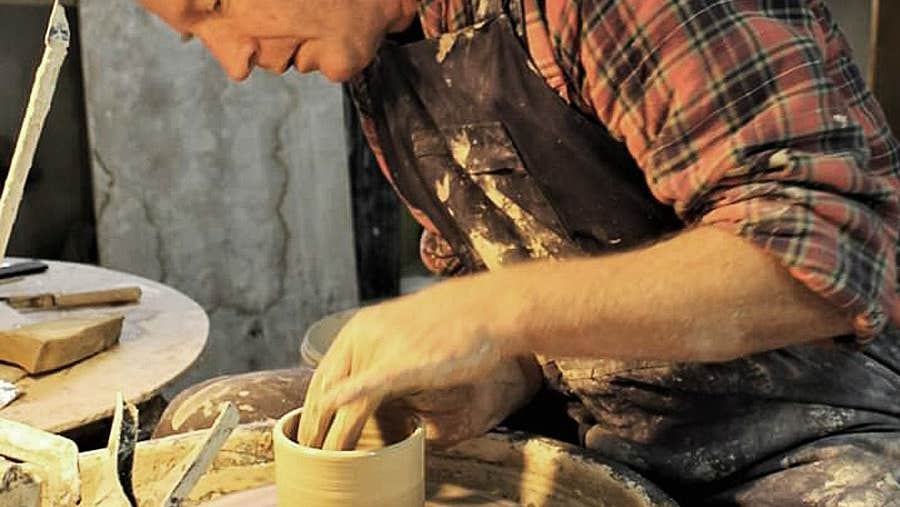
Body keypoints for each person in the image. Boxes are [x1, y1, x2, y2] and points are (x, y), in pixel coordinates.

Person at [139, 0, 900, 504]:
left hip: (813, 426)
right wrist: (497, 377)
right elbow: (518, 270)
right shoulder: (383, 49)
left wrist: (493, 312)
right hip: (600, 409)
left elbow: (833, 248)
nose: (232, 59)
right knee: (205, 423)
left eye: (212, 4)